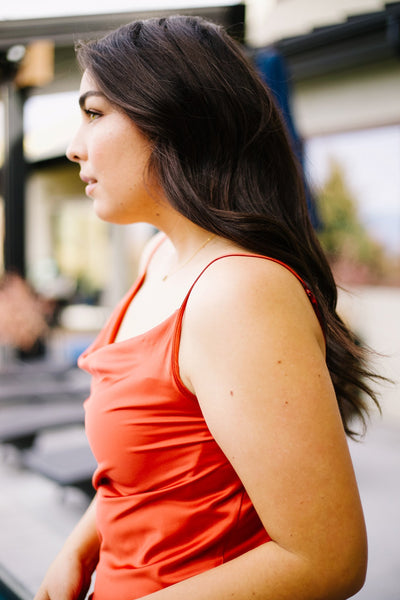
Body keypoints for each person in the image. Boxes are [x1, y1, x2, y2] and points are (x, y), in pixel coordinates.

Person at [35, 15, 380, 600]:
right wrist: (81, 546)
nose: (74, 146)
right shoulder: (159, 256)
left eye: (94, 113)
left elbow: (327, 559)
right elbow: (154, 461)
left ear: (173, 120)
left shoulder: (237, 294)